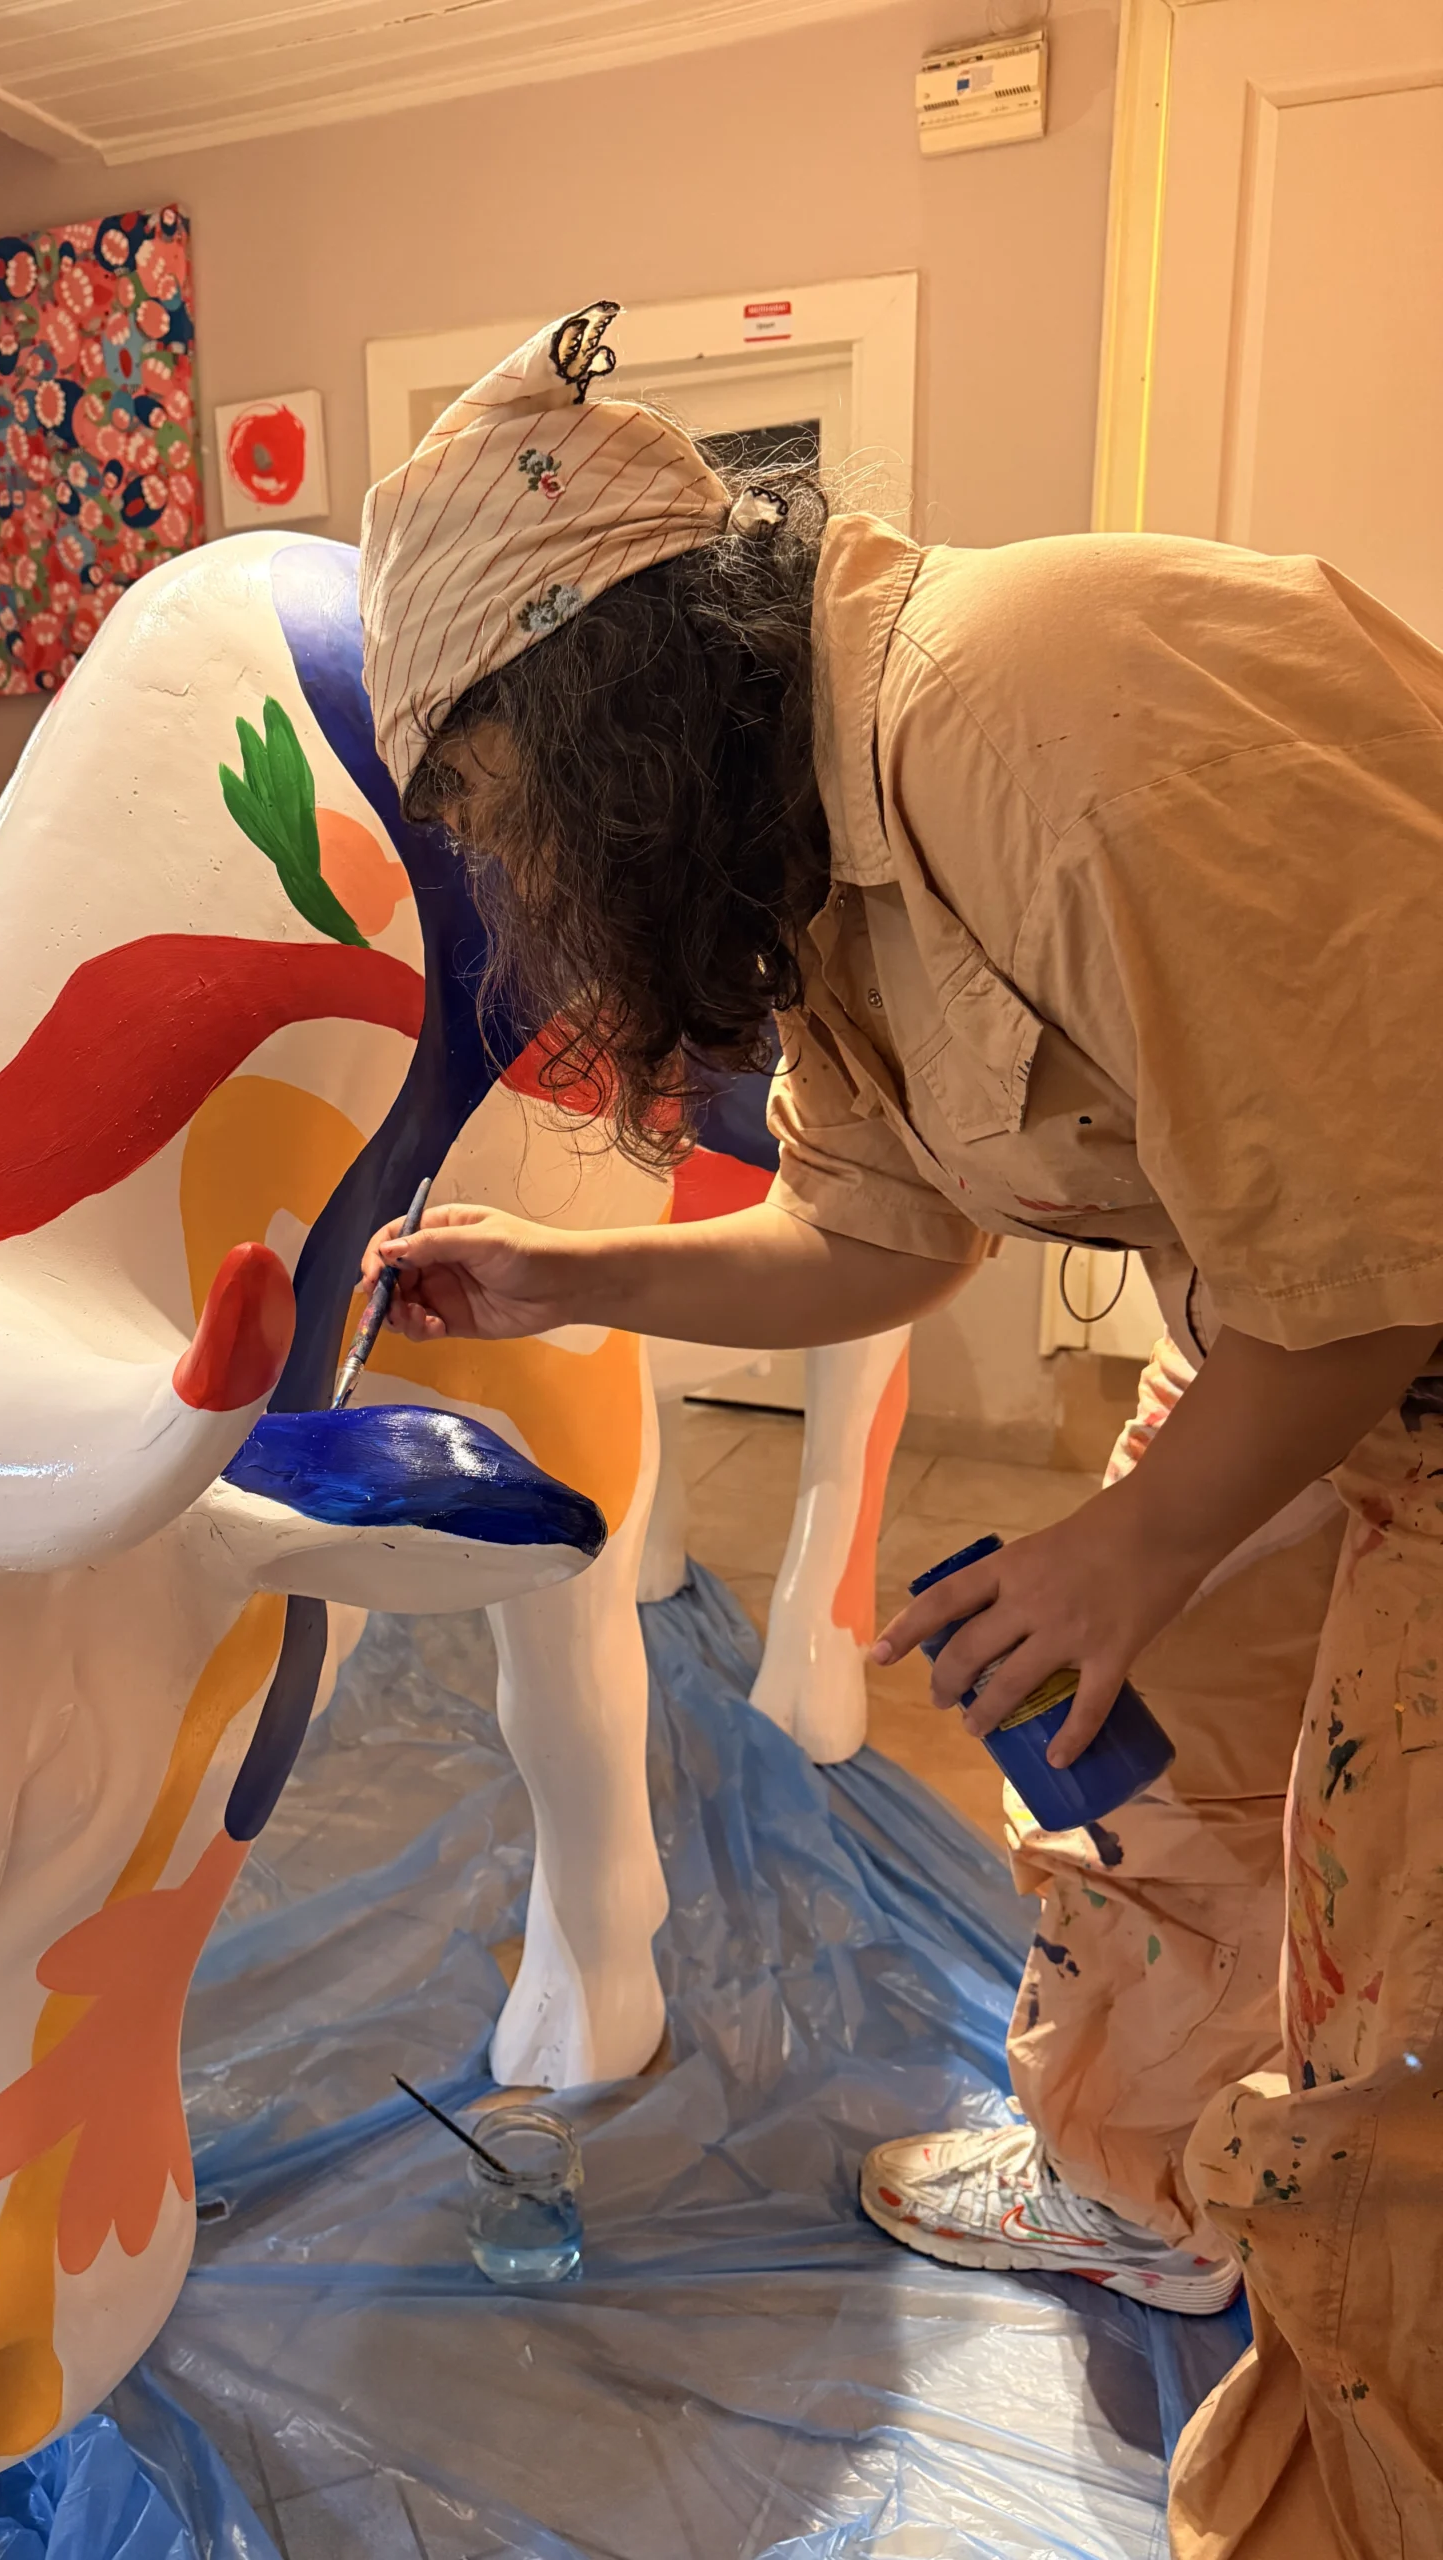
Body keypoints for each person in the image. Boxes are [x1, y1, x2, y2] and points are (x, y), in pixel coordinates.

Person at [354, 300, 1443, 2559]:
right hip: (1297, 1333)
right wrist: (568, 1275)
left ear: (600, 705)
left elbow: (1378, 1246)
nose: (517, 882)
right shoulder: (824, 849)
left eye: (501, 811)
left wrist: (1131, 1544)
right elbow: (871, 1235)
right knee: (1151, 1771)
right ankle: (1140, 2191)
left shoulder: (1028, 720)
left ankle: (1361, 2472)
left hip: (1380, 1324)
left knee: (1398, 2046)